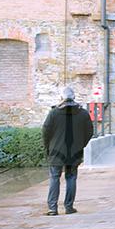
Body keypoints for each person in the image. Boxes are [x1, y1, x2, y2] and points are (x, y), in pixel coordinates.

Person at [41, 86, 93, 216]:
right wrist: (81, 145)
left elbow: (46, 131)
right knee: (71, 178)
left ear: (62, 98)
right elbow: (89, 132)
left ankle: (52, 208)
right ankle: (69, 207)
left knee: (54, 178)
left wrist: (48, 146)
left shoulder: (54, 113)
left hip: (56, 151)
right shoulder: (83, 113)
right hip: (74, 151)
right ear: (74, 97)